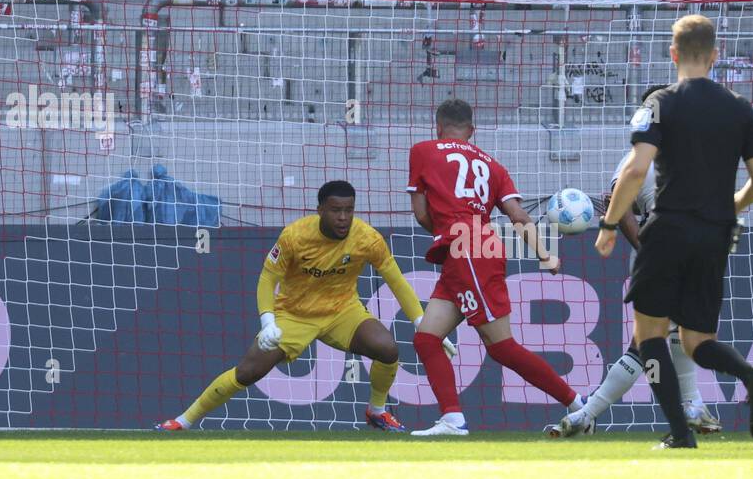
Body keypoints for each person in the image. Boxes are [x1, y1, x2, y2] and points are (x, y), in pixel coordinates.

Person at [595, 14, 753, 449]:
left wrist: (608, 225)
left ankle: (680, 436)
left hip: (669, 228)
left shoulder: (660, 102)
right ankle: (751, 375)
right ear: (716, 56)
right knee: (698, 341)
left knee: (650, 336)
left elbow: (637, 170)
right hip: (716, 235)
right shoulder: (742, 108)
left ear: (673, 54)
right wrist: (731, 205)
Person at [154, 180, 448, 432]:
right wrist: (268, 320)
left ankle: (376, 410)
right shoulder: (295, 236)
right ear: (320, 210)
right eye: (336, 210)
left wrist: (420, 320)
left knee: (387, 348)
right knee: (248, 372)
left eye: (348, 210)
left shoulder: (367, 238)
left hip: (342, 311)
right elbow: (268, 278)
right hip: (294, 315)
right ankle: (184, 420)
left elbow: (395, 279)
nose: (343, 217)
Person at [546, 85, 722, 438]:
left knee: (660, 340)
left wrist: (645, 249)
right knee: (662, 339)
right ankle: (688, 407)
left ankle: (593, 414)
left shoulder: (640, 158)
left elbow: (616, 201)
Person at [407, 98, 585, 436]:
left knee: (501, 346)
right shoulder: (493, 165)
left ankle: (578, 404)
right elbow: (518, 215)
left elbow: (420, 212)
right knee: (427, 339)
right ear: (472, 131)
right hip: (474, 248)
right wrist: (545, 255)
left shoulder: (423, 150)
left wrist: (449, 231)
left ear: (438, 125)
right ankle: (452, 418)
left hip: (464, 247)